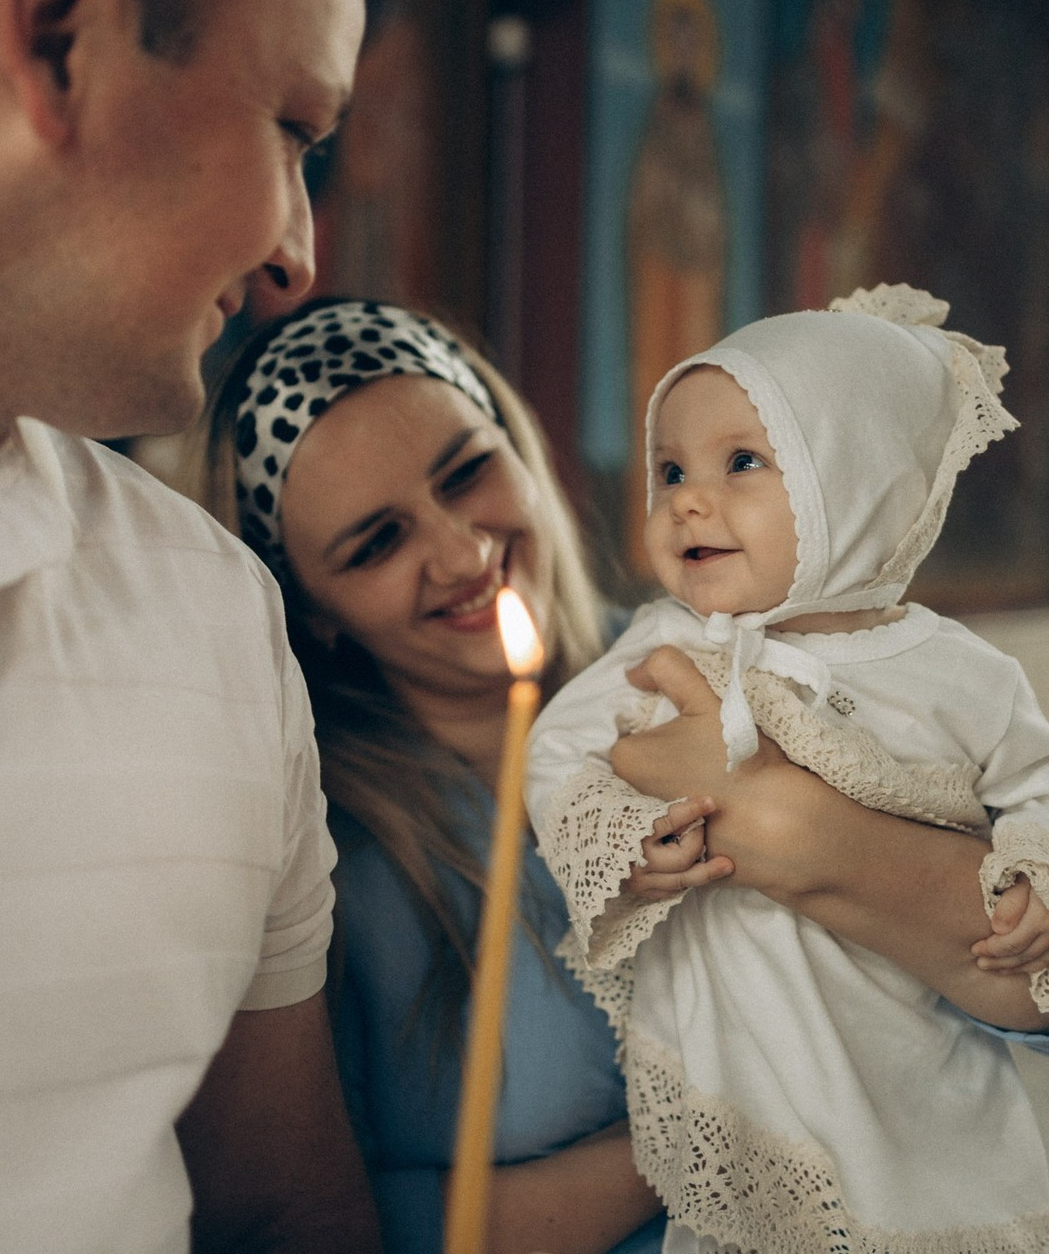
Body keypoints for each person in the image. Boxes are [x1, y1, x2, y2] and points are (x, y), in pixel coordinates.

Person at [184, 295, 1049, 1254]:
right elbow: (306, 1225)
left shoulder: (770, 669)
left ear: (522, 449)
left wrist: (802, 831)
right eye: (376, 543)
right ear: (314, 612)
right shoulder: (315, 861)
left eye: (468, 472)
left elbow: (1024, 996)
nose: (464, 551)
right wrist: (728, 1142)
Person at [0, 0, 380, 1253]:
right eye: (293, 130)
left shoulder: (210, 613)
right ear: (60, 38)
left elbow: (278, 1209)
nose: (297, 258)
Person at [526, 283, 1049, 1251]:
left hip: (916, 1056)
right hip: (748, 1063)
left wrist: (1031, 869)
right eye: (667, 466)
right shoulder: (658, 645)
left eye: (740, 462)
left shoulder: (952, 670)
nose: (686, 495)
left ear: (854, 484)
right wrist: (621, 840)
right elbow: (558, 753)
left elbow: (1035, 780)